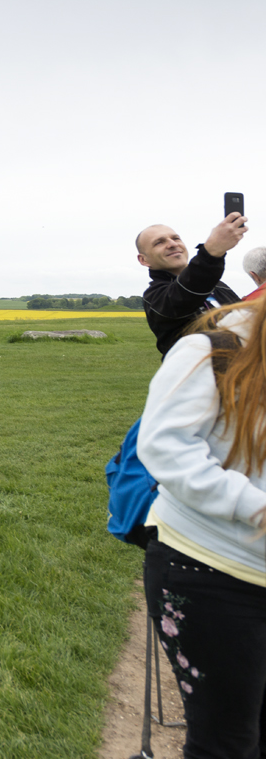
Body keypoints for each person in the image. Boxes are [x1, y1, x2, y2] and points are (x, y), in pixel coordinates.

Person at [138, 292, 266, 757]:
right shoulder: (209, 350)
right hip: (211, 568)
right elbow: (166, 446)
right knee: (227, 742)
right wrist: (254, 506)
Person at [136, 213, 249, 357]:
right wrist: (212, 252)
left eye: (176, 238)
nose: (172, 244)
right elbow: (186, 293)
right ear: (144, 260)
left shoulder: (219, 286)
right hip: (200, 377)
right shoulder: (155, 297)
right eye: (159, 242)